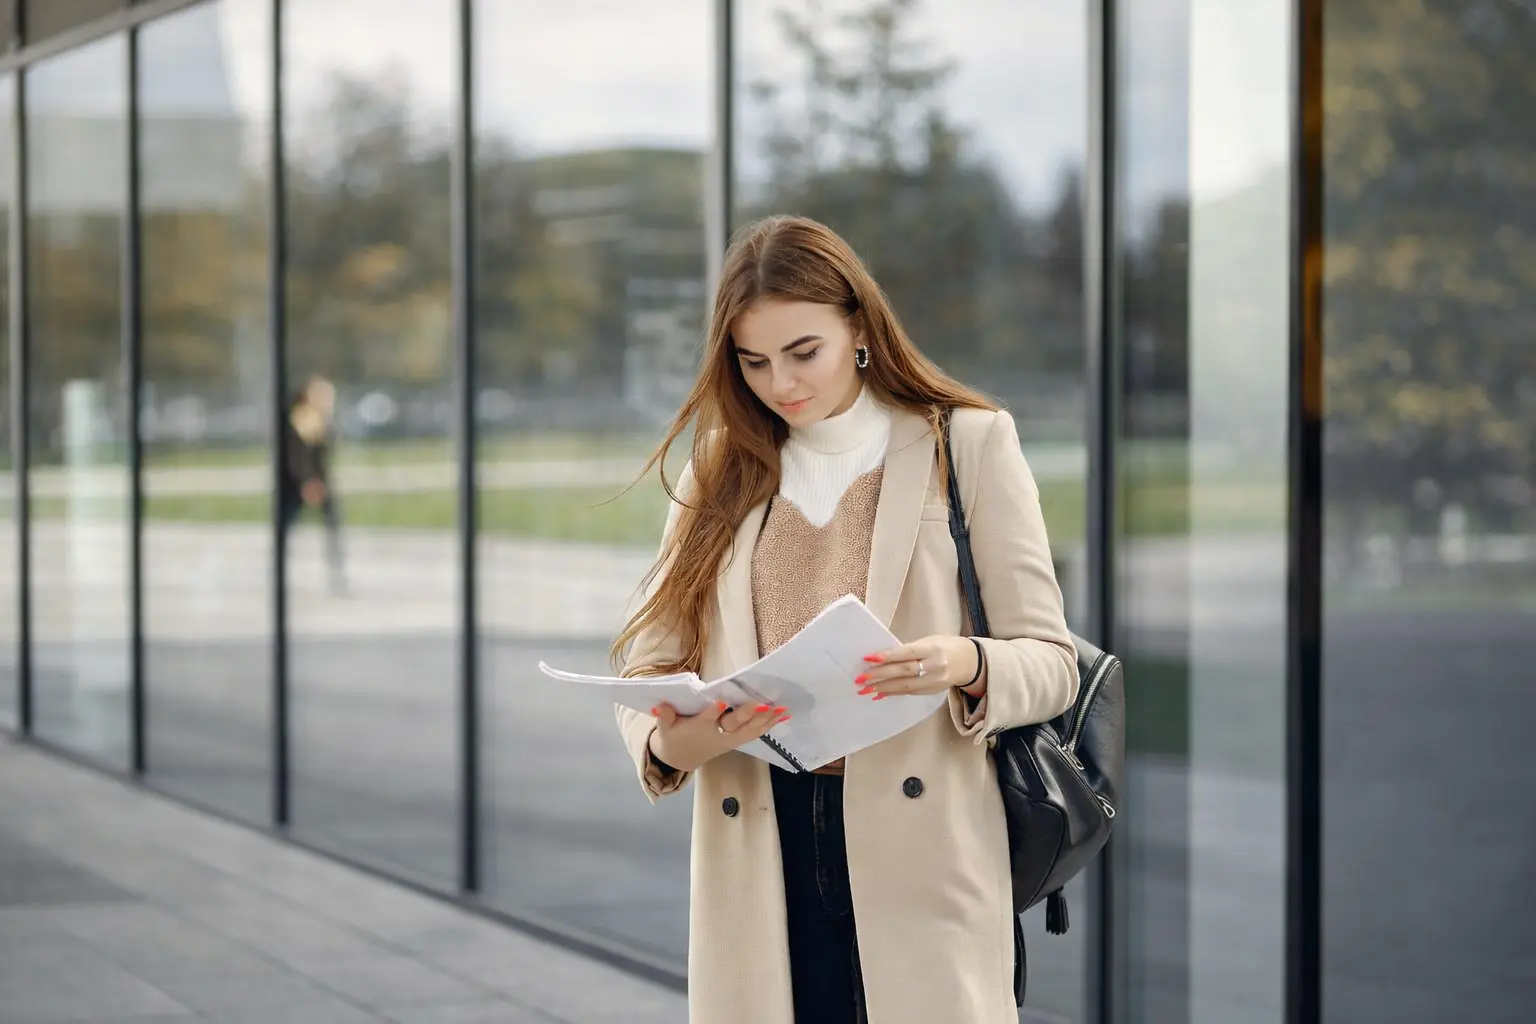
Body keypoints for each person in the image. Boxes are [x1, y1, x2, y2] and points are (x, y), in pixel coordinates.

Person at [611, 214, 1079, 1023]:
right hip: (762, 841)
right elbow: (644, 664)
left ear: (858, 326)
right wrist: (673, 739)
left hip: (923, 842)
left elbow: (1051, 662)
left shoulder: (967, 445)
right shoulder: (717, 470)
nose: (781, 384)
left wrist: (962, 662)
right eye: (752, 362)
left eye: (804, 353)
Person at [281, 374, 346, 593]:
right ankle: (281, 572)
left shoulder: (320, 419)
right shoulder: (302, 419)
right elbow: (300, 455)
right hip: (304, 482)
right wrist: (308, 481)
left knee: (332, 526)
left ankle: (336, 573)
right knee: (289, 524)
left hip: (320, 481)